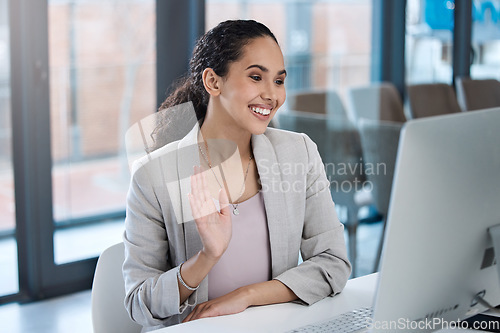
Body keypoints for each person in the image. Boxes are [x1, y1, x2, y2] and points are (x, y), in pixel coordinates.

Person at [122, 19, 351, 332]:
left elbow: (333, 263)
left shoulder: (298, 152)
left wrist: (246, 296)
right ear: (214, 82)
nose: (272, 95)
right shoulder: (153, 177)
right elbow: (139, 303)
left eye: (279, 81)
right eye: (256, 77)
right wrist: (206, 257)